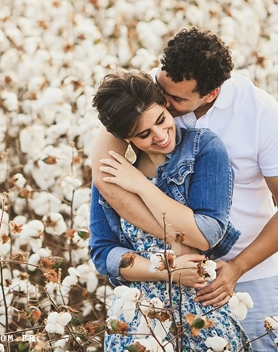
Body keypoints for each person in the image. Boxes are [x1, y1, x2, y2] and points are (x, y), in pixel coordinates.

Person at [91, 28, 278, 352]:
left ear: (211, 94)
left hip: (251, 269)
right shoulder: (149, 93)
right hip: (160, 287)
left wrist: (235, 266)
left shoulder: (259, 114)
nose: (164, 102)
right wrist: (173, 257)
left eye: (173, 102)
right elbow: (105, 178)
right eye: (161, 90)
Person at [89, 69, 250, 351]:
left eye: (162, 120)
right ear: (126, 137)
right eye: (144, 134)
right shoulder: (112, 173)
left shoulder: (203, 148)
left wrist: (140, 184)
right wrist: (165, 271)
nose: (161, 136)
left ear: (165, 105)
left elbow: (207, 233)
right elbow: (103, 252)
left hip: (200, 311)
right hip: (135, 319)